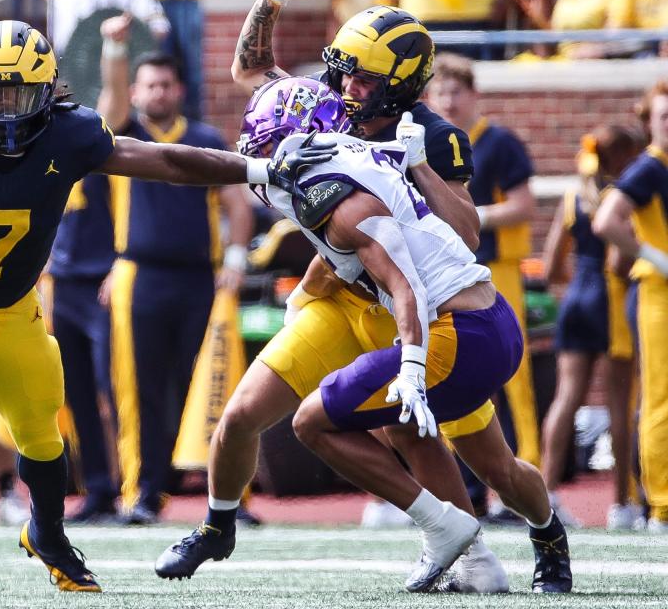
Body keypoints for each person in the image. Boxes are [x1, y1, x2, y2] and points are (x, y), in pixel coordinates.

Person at [0, 19, 299, 593]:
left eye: (20, 94)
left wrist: (256, 168)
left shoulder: (73, 135)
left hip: (11, 310)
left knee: (43, 439)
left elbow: (166, 161)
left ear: (48, 92)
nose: (8, 109)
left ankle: (47, 533)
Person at [157, 78, 572, 594]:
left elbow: (421, 265)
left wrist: (413, 365)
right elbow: (256, 73)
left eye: (360, 71)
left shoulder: (400, 154)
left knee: (485, 463)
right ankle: (219, 526)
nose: (348, 80)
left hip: (434, 325)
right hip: (385, 311)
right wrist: (269, 7)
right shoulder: (335, 141)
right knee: (254, 414)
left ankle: (491, 538)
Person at [98, 15, 254, 523]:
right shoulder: (125, 133)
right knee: (139, 392)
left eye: (166, 84)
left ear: (180, 89)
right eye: (149, 85)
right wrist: (116, 52)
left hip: (199, 279)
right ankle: (142, 494)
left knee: (213, 385)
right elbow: (112, 103)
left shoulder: (206, 135)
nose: (158, 93)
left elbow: (237, 203)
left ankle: (230, 498)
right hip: (140, 276)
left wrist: (234, 259)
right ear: (137, 92)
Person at [426, 52, 540, 519]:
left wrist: (468, 215)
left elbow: (523, 205)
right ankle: (467, 488)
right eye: (440, 92)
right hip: (445, 276)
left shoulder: (500, 142)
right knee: (456, 379)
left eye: (456, 91)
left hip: (493, 269)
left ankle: (531, 477)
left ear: (474, 96)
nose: (448, 101)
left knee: (514, 381)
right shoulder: (427, 140)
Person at [541, 125, 643, 530]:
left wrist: (574, 289)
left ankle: (545, 495)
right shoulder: (625, 200)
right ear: (623, 158)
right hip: (613, 300)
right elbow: (619, 262)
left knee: (566, 398)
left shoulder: (573, 198)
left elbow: (550, 266)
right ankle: (622, 503)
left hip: (576, 300)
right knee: (620, 402)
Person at [594, 79, 668, 533]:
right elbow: (607, 220)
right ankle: (660, 506)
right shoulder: (649, 167)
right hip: (658, 291)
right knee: (660, 398)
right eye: (663, 116)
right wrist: (657, 258)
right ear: (649, 123)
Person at [47, 172, 119, 523]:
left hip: (102, 279)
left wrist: (124, 260)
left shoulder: (98, 144)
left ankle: (132, 485)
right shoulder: (45, 151)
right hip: (62, 282)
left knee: (112, 388)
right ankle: (98, 487)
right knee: (77, 393)